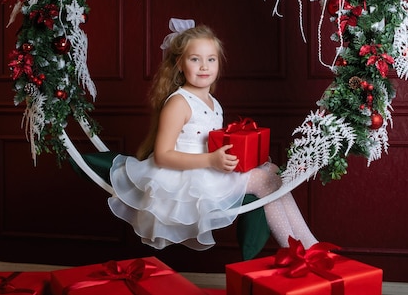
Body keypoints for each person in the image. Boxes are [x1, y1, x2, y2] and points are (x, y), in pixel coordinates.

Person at [108, 19, 318, 251]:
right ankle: (296, 249)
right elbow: (162, 155)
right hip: (187, 177)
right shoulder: (179, 103)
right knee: (264, 180)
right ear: (179, 64)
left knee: (272, 170)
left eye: (211, 59)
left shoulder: (213, 103)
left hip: (210, 169)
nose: (204, 66)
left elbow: (213, 143)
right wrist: (210, 160)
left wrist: (240, 156)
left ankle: (308, 243)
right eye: (194, 59)